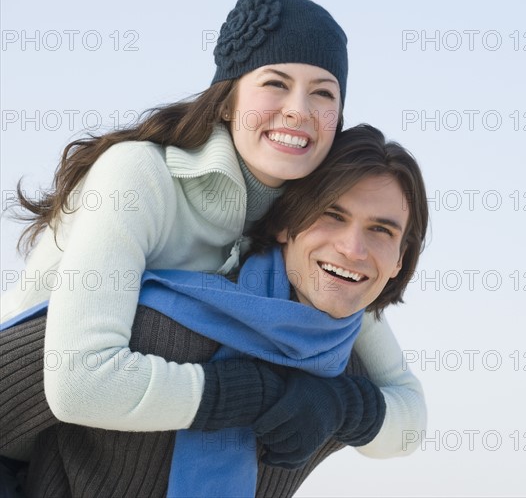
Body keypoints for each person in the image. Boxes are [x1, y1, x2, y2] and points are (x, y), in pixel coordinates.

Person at [0, 125, 429, 497]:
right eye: (332, 216)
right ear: (285, 225)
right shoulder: (159, 322)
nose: (353, 249)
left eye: (380, 230)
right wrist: (232, 393)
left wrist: (342, 409)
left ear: (397, 260)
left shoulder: (346, 372)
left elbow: (410, 428)